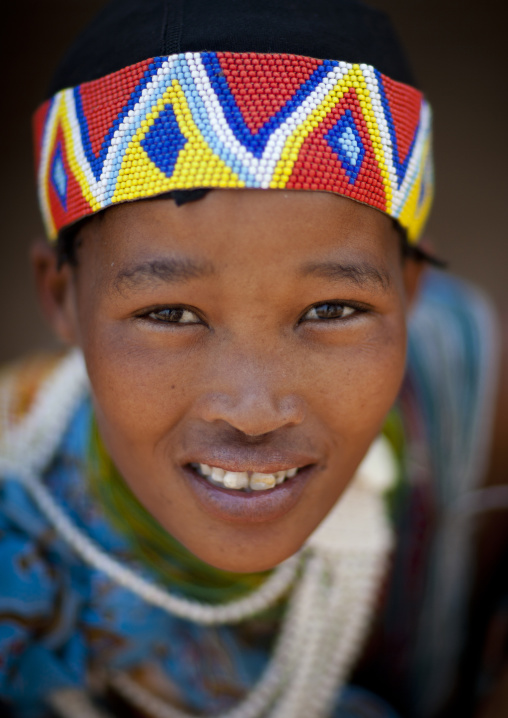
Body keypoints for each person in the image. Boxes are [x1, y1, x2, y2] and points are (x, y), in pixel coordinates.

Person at [1, 1, 507, 716]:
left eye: (331, 311)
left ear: (410, 290)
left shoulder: (464, 388)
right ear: (62, 297)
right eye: (168, 314)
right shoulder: (16, 527)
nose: (254, 410)